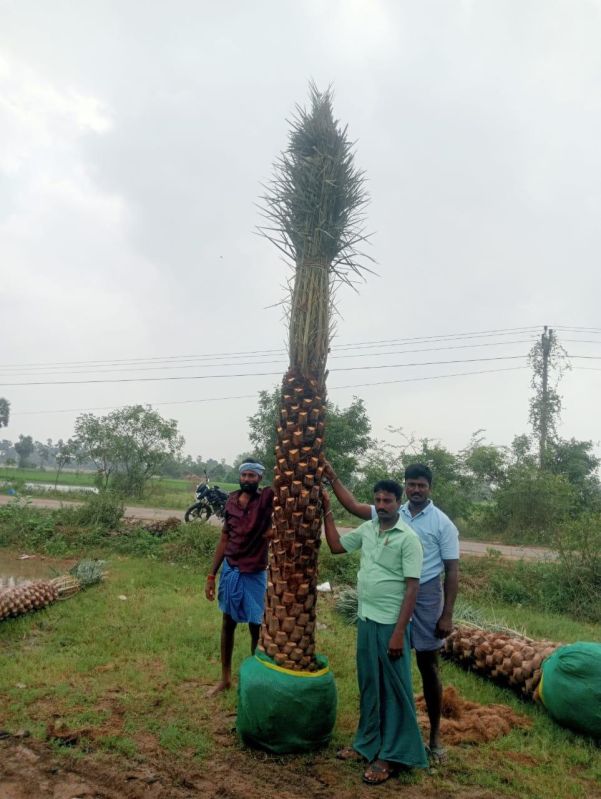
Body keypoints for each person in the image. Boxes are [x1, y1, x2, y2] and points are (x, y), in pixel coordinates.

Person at [324, 461, 459, 762]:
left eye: (421, 485)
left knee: (426, 663)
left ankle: (433, 737)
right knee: (377, 670)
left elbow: (451, 570)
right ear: (405, 487)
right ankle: (376, 735)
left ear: (429, 488)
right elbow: (351, 506)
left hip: (423, 593)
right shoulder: (382, 516)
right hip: (382, 600)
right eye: (411, 484)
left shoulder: (441, 524)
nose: (416, 489)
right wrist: (332, 478)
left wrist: (446, 614)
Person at [322, 481, 428, 784]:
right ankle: (366, 743)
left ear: (399, 503)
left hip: (391, 625)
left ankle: (392, 755)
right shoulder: (368, 530)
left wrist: (398, 633)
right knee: (369, 684)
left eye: (388, 501)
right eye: (378, 500)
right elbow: (336, 546)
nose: (382, 505)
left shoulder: (408, 539)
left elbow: (412, 589)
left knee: (394, 690)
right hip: (367, 619)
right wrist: (326, 511)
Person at [205, 461, 274, 696]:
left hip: (254, 573)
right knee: (228, 623)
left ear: (260, 478)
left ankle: (254, 682)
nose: (247, 479)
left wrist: (274, 530)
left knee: (256, 626)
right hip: (231, 570)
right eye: (244, 474)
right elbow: (225, 537)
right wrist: (211, 574)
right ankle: (225, 679)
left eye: (252, 475)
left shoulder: (265, 499)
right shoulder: (232, 500)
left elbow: (286, 497)